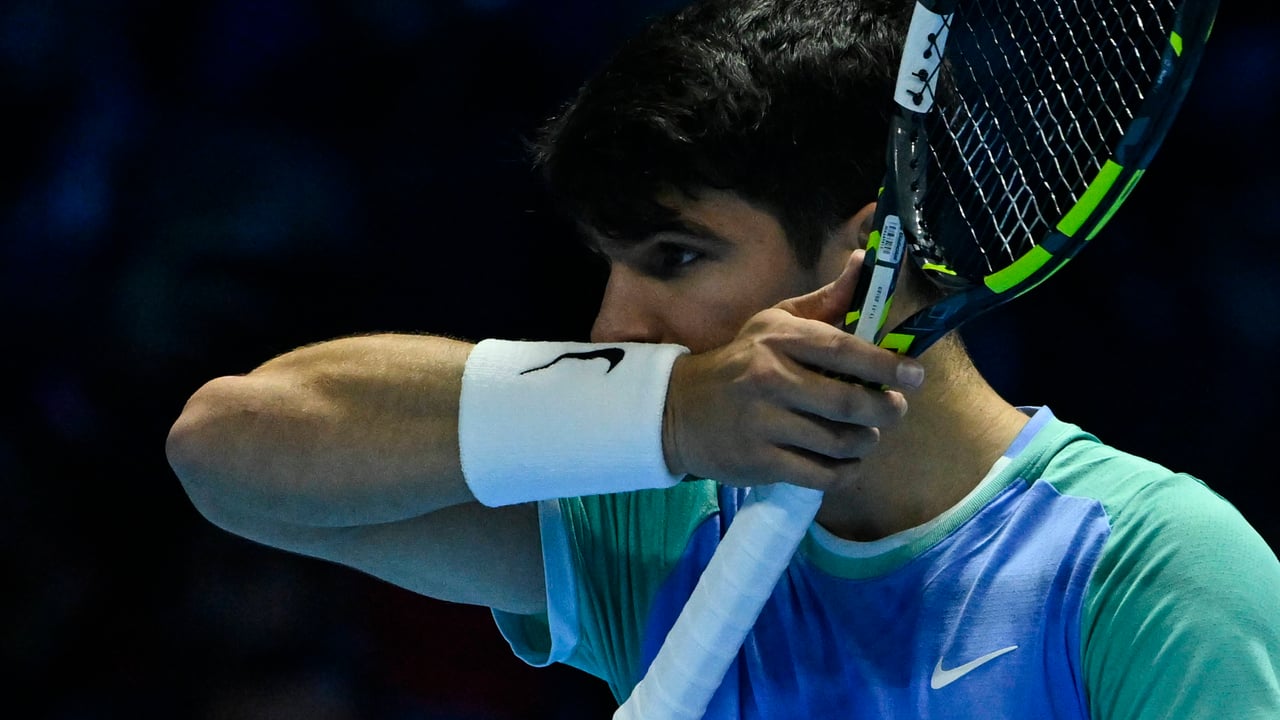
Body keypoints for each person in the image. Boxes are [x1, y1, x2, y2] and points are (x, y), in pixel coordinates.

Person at [165, 0, 1280, 717]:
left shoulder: (1151, 567)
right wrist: (668, 414)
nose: (616, 326)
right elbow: (229, 448)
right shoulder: (654, 523)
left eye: (677, 256)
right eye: (610, 265)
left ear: (877, 254)